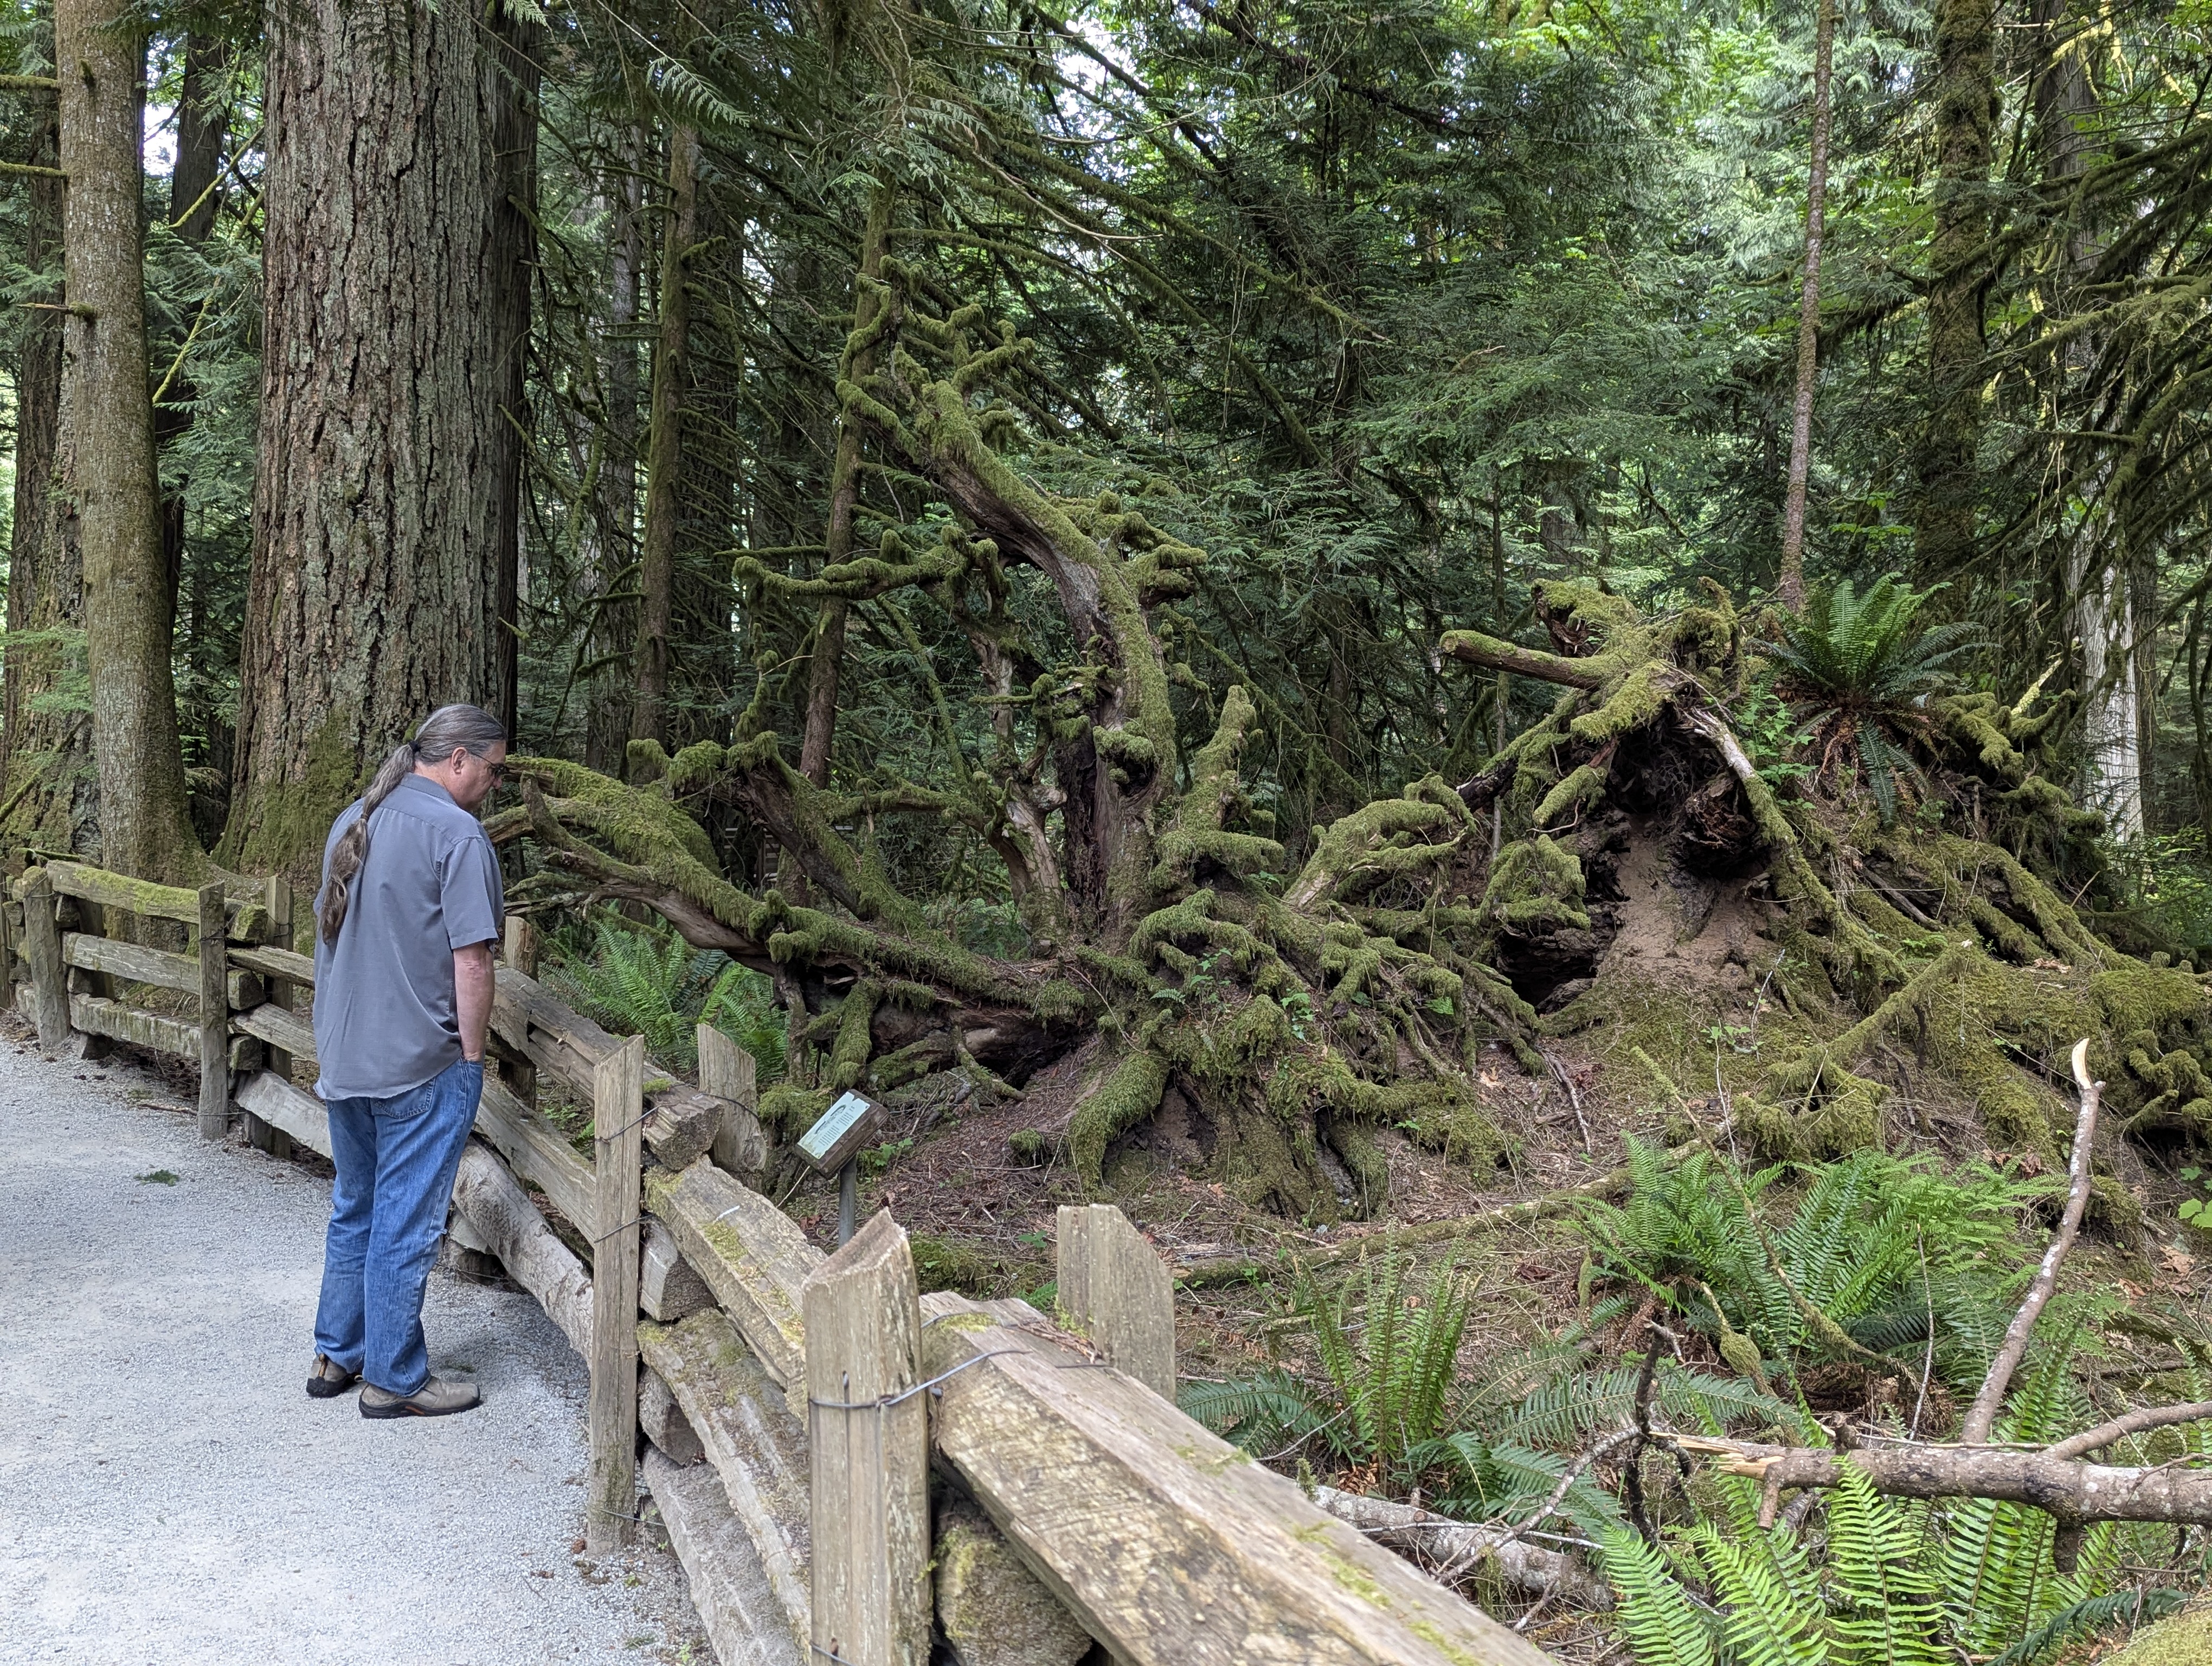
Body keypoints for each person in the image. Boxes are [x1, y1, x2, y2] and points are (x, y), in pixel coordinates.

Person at [306, 703, 509, 1418]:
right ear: (458, 759)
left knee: (356, 1204)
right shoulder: (457, 835)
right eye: (492, 769)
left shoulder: (354, 819)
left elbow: (331, 942)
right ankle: (395, 1378)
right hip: (421, 1060)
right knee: (408, 1217)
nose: (494, 783)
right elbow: (473, 959)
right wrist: (473, 1057)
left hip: (347, 1055)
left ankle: (338, 1354)